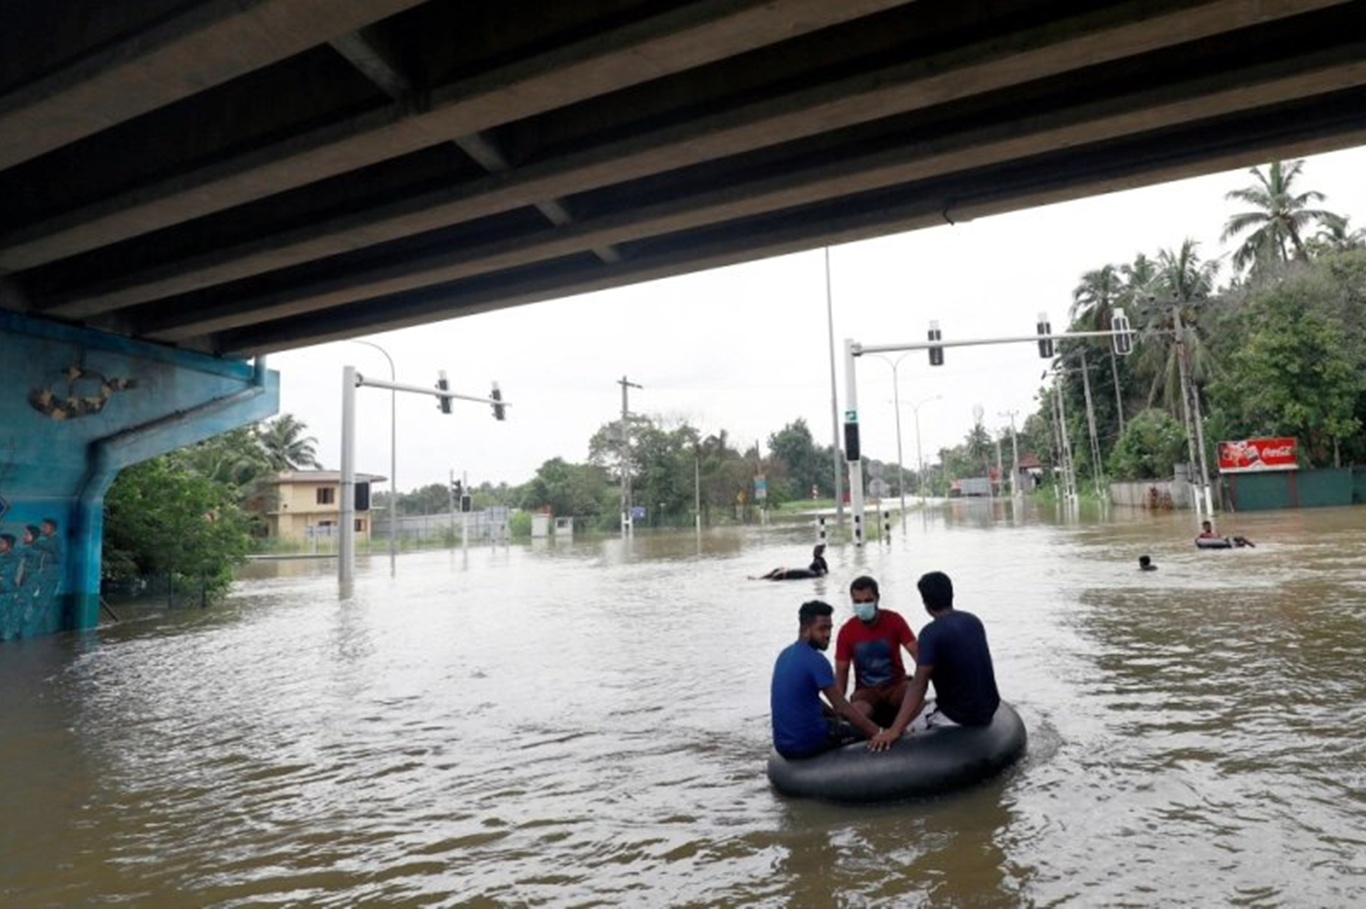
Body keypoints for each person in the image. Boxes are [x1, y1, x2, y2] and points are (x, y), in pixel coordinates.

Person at [870, 571, 1000, 751]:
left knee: (907, 731)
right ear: (952, 595)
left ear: (925, 603)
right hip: (988, 708)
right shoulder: (973, 621)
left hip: (958, 716)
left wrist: (895, 730)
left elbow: (919, 684)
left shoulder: (930, 634)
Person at [771, 600, 883, 760]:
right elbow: (842, 708)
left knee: (841, 723)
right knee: (862, 732)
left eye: (830, 628)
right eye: (822, 629)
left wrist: (834, 716)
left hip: (782, 746)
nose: (828, 634)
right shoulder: (816, 660)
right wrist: (878, 732)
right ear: (805, 630)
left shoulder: (784, 655)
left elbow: (807, 698)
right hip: (809, 744)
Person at [835, 575, 919, 727]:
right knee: (855, 717)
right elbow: (841, 674)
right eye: (857, 602)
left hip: (896, 685)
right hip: (866, 692)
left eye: (868, 600)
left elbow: (917, 654)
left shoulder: (894, 620)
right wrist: (839, 709)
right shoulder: (846, 631)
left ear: (877, 599)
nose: (863, 605)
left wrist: (920, 684)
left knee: (917, 702)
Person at [756, 543, 828, 580]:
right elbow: (824, 573)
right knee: (774, 574)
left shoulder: (815, 566)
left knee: (773, 574)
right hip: (783, 574)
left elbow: (824, 572)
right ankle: (758, 579)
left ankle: (758, 579)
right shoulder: (816, 567)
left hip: (784, 572)